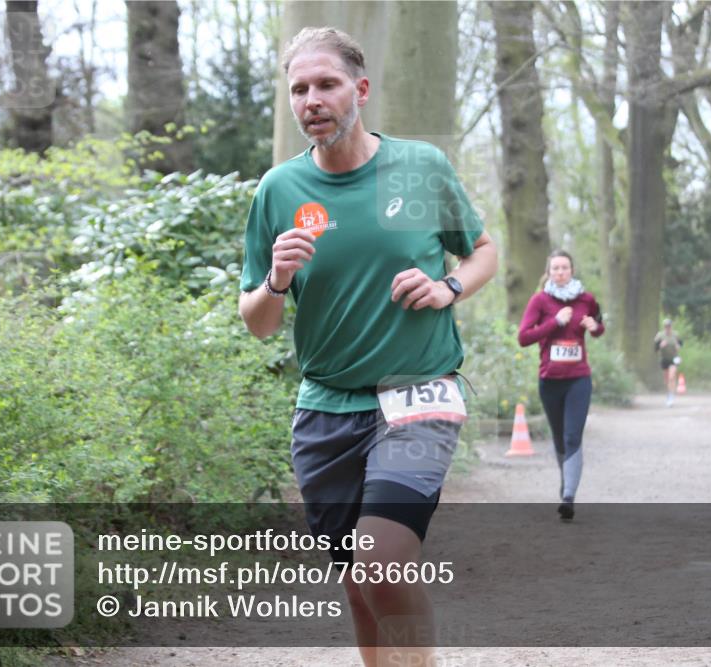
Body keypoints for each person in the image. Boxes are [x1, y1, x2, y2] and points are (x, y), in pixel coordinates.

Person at [238, 27, 498, 665]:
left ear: (359, 89)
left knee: (381, 563)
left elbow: (482, 251)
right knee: (359, 581)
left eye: (326, 84)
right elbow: (258, 322)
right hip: (326, 409)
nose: (312, 100)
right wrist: (277, 279)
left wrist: (447, 287)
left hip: (419, 394)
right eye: (299, 89)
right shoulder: (279, 190)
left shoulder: (419, 168)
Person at [517, 251, 604, 523]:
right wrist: (554, 322)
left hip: (579, 379)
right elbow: (523, 337)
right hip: (550, 381)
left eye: (564, 267)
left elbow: (599, 325)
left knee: (572, 437)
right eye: (555, 268)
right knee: (559, 439)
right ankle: (567, 482)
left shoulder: (586, 299)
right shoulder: (540, 300)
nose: (560, 272)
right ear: (549, 272)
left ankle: (568, 497)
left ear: (572, 270)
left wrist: (594, 326)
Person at [654, 319, 682, 406]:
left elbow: (681, 344)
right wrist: (660, 346)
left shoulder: (676, 335)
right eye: (666, 326)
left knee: (671, 377)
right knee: (667, 380)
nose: (668, 328)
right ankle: (669, 393)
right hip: (664, 359)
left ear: (671, 327)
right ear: (664, 327)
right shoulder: (660, 336)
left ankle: (671, 396)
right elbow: (655, 349)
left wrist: (678, 346)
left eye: (669, 326)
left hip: (674, 359)